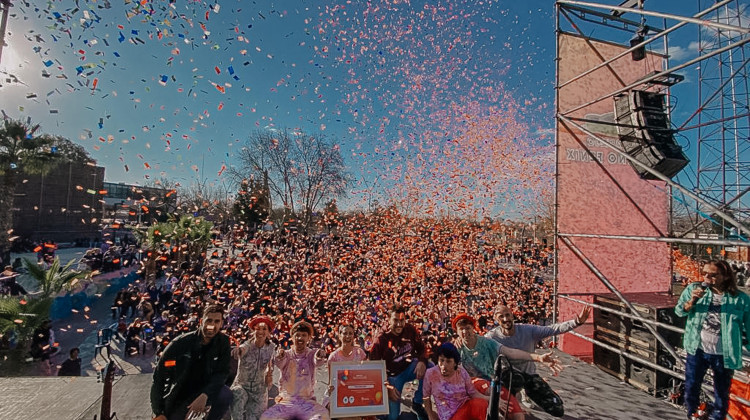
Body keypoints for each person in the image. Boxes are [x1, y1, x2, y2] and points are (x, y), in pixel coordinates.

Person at [675, 259, 750, 420]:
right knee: (691, 386)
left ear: (725, 276)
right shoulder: (694, 289)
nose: (707, 277)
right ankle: (692, 415)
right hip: (698, 349)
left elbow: (749, 328)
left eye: (713, 275)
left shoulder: (741, 299)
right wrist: (692, 302)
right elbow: (679, 311)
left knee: (721, 393)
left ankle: (717, 417)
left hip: (724, 353)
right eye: (704, 273)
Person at [485, 304, 590, 417]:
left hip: (529, 373)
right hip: (509, 376)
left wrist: (577, 322)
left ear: (512, 314)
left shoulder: (527, 330)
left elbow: (553, 329)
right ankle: (515, 400)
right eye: (501, 316)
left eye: (507, 315)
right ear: (495, 319)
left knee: (557, 409)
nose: (505, 319)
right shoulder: (492, 337)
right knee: (514, 380)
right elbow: (477, 343)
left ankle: (526, 392)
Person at [452, 314, 562, 420]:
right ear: (456, 331)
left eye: (467, 328)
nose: (465, 332)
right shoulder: (456, 348)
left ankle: (512, 398)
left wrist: (538, 357)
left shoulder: (487, 343)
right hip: (474, 386)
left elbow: (510, 352)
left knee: (518, 416)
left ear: (473, 328)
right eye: (461, 329)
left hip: (494, 383)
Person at [150, 304, 233, 420]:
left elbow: (222, 372)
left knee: (225, 394)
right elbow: (159, 378)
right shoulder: (179, 344)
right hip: (180, 394)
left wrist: (205, 395)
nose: (211, 326)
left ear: (221, 324)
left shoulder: (223, 342)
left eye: (216, 321)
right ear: (201, 321)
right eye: (209, 320)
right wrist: (158, 412)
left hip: (205, 390)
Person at [369, 304, 430, 420]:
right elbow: (374, 367)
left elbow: (422, 348)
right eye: (395, 320)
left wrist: (422, 361)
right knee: (393, 417)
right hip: (393, 377)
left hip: (409, 367)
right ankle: (381, 413)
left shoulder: (410, 329)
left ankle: (417, 401)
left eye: (402, 320)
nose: (399, 324)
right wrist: (387, 387)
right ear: (388, 319)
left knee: (429, 367)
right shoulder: (381, 338)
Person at [260, 320, 329, 420]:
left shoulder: (312, 354)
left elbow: (318, 362)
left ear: (309, 338)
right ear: (292, 337)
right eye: (297, 335)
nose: (300, 338)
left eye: (304, 335)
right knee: (266, 417)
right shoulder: (286, 354)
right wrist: (280, 356)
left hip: (307, 403)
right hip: (286, 402)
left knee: (322, 417)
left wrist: (319, 356)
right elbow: (280, 363)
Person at [423, 342, 489, 420]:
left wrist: (492, 399)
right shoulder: (430, 374)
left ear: (455, 363)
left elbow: (473, 393)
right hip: (449, 416)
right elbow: (426, 397)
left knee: (481, 404)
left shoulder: (461, 372)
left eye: (448, 361)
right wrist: (430, 416)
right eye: (441, 360)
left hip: (464, 407)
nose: (444, 365)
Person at [231, 316, 276, 420]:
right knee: (238, 396)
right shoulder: (247, 345)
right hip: (242, 386)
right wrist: (238, 351)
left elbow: (270, 364)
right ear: (253, 331)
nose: (260, 331)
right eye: (257, 328)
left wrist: (269, 375)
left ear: (269, 332)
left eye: (264, 329)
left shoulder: (271, 348)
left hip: (259, 390)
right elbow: (242, 349)